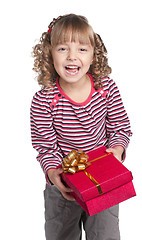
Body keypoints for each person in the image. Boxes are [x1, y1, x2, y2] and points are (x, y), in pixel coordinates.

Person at [30, 13, 132, 240]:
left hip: (103, 179)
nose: (72, 57)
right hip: (64, 186)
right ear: (50, 54)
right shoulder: (44, 100)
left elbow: (120, 128)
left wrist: (116, 150)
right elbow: (45, 146)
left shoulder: (105, 89)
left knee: (105, 235)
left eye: (81, 50)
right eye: (63, 49)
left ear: (94, 55)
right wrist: (55, 173)